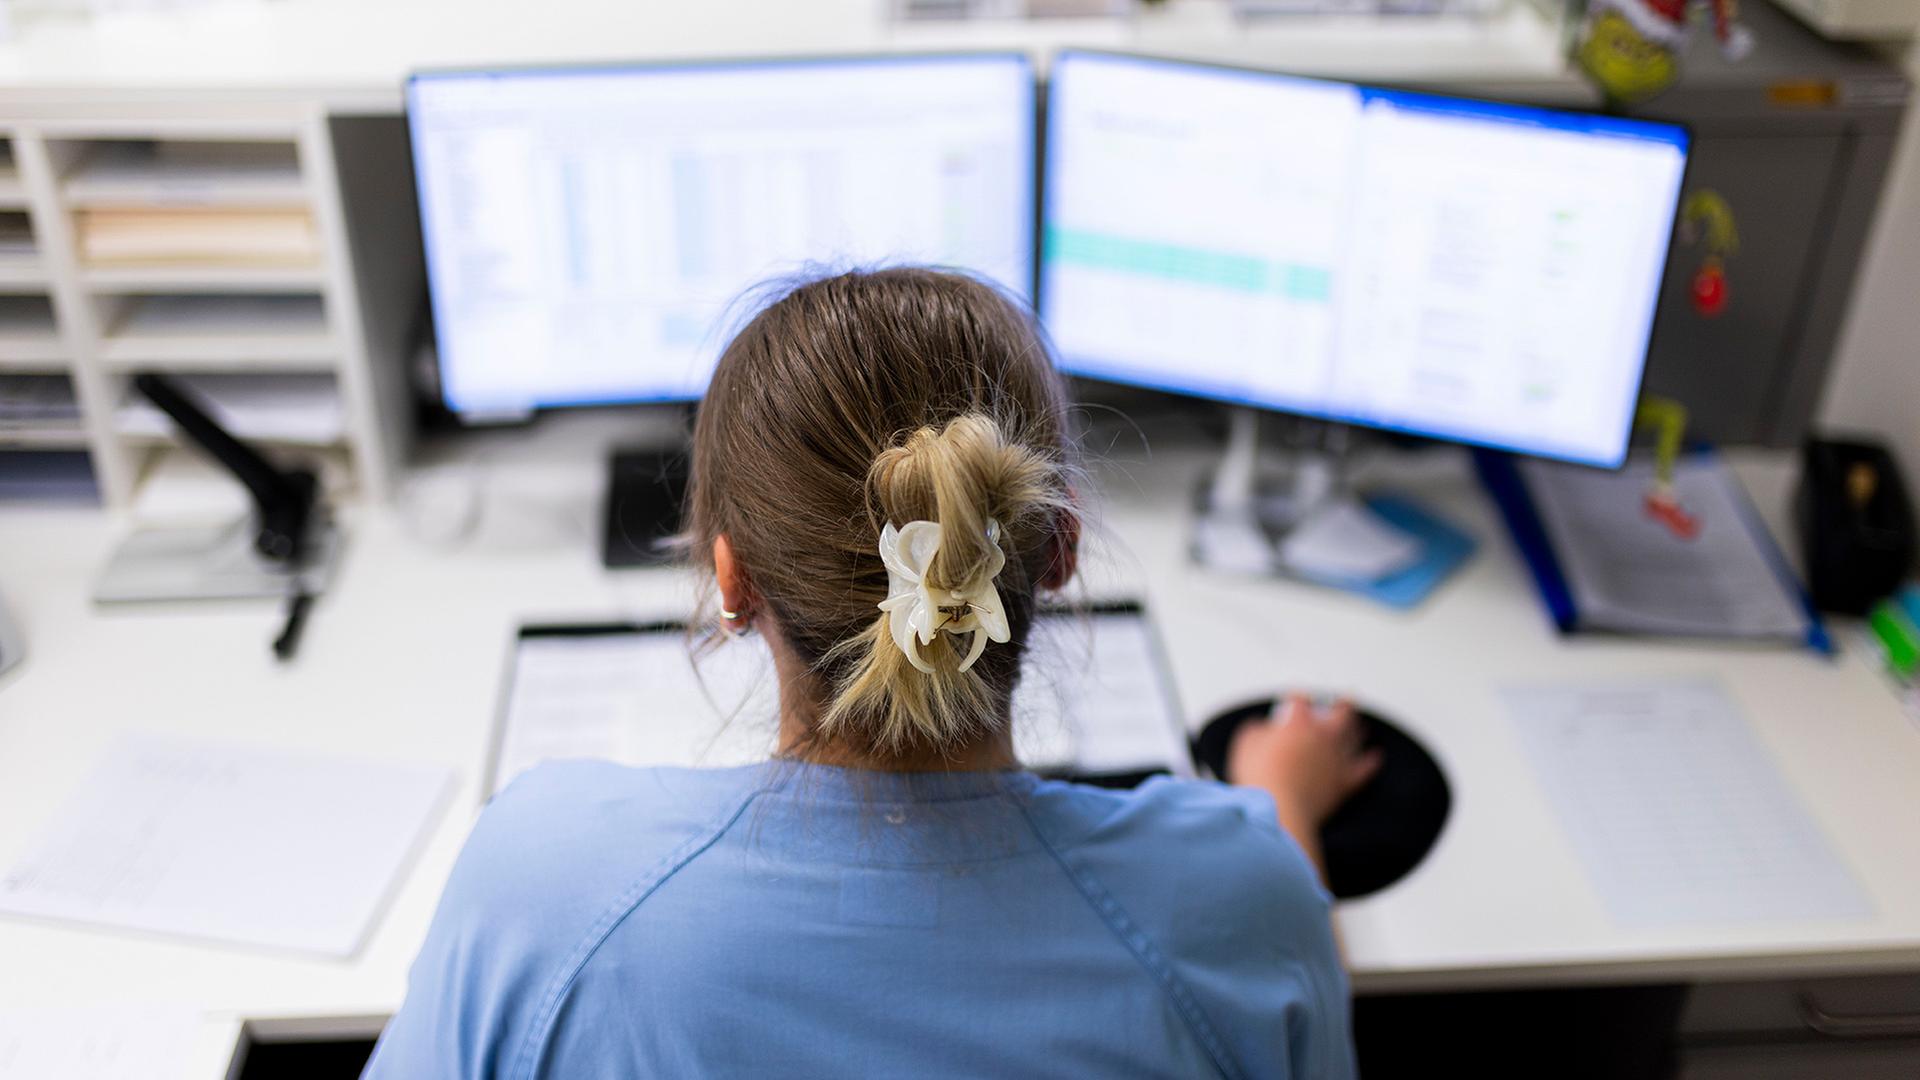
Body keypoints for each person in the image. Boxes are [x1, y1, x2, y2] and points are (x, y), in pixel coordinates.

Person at [363, 268, 1381, 1079]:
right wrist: (1284, 800)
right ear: (1058, 550)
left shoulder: (542, 886)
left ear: (731, 580)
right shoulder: (1238, 897)